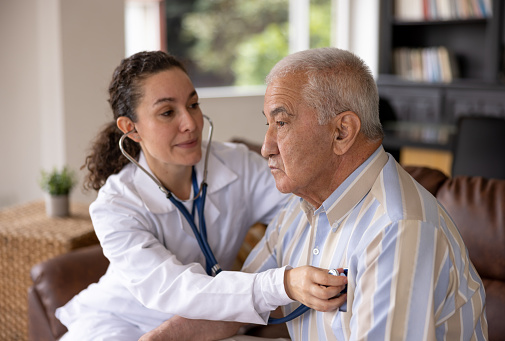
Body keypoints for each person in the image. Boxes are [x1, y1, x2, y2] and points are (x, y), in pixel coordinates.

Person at [141, 47, 488, 340]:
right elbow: (244, 301)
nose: (266, 147)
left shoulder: (397, 229)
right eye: (268, 123)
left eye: (281, 122)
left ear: (341, 132)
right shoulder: (300, 207)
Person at [55, 50, 346, 341]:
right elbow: (171, 287)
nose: (191, 123)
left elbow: (305, 204)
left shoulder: (237, 165)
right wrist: (282, 284)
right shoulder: (115, 205)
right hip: (118, 323)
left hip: (206, 325)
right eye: (168, 112)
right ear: (130, 129)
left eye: (193, 104)